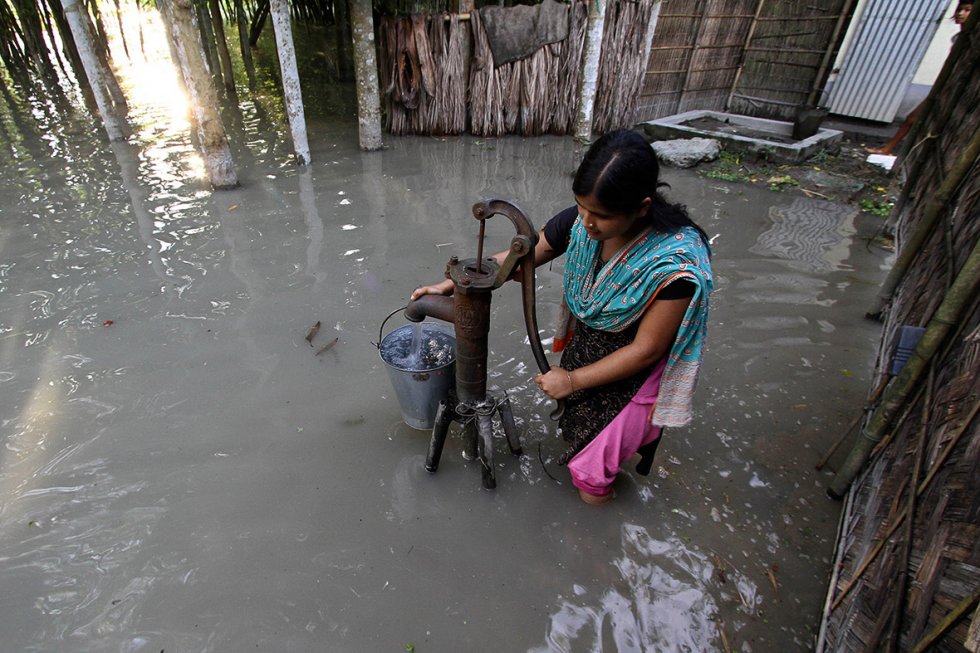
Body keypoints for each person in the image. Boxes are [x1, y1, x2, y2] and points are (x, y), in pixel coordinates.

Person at [411, 129, 713, 504]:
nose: (586, 223)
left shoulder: (674, 267)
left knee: (589, 478)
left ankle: (596, 545)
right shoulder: (582, 221)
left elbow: (647, 350)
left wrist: (571, 380)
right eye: (581, 207)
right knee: (578, 434)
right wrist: (452, 285)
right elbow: (524, 254)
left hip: (637, 376)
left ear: (641, 207)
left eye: (600, 215)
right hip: (592, 348)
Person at [867, 0, 972, 155]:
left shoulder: (970, 41)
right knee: (912, 118)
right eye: (960, 10)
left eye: (967, 10)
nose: (961, 13)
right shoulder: (958, 37)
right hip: (945, 86)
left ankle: (893, 150)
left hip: (959, 91)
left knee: (922, 121)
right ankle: (888, 149)